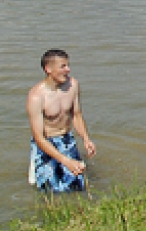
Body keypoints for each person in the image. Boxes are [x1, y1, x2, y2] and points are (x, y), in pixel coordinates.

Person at [25, 49, 96, 192]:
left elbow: (76, 114)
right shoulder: (36, 97)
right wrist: (65, 161)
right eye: (63, 66)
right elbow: (38, 138)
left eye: (68, 65)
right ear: (48, 69)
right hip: (46, 143)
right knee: (49, 190)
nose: (68, 70)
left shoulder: (73, 85)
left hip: (66, 140)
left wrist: (86, 139)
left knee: (77, 186)